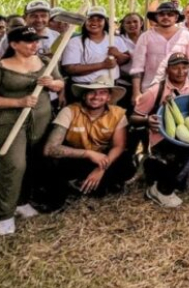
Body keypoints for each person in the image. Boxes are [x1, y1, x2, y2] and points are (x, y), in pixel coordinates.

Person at [0, 26, 66, 236]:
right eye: (29, 41)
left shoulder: (46, 62)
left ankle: (22, 201)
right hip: (8, 123)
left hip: (40, 121)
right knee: (14, 165)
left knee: (32, 162)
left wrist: (51, 83)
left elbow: (60, 83)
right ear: (13, 44)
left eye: (36, 40)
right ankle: (5, 215)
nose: (34, 45)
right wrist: (18, 101)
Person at [132, 53, 189, 209]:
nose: (181, 72)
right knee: (179, 160)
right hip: (163, 139)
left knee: (182, 185)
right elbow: (134, 117)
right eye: (175, 68)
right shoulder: (156, 90)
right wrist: (147, 120)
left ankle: (152, 166)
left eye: (184, 67)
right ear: (168, 70)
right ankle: (160, 189)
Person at [42, 79, 134, 209]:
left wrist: (101, 168)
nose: (96, 96)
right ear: (84, 95)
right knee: (51, 164)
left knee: (126, 164)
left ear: (108, 97)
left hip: (103, 159)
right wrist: (88, 154)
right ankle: (65, 191)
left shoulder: (118, 114)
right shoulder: (69, 111)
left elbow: (119, 146)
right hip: (76, 158)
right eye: (92, 92)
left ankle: (90, 185)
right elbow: (50, 149)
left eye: (102, 93)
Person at [130, 1, 189, 103]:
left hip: (180, 90)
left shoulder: (186, 36)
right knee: (152, 118)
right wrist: (136, 92)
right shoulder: (145, 37)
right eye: (161, 14)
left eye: (170, 14)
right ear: (156, 17)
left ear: (176, 17)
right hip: (151, 88)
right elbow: (137, 67)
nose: (166, 17)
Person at [61, 7, 133, 99]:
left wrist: (118, 54)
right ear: (85, 22)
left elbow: (126, 59)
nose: (94, 22)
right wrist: (102, 65)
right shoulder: (75, 42)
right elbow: (70, 68)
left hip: (109, 87)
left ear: (105, 22)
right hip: (83, 88)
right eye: (90, 19)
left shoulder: (115, 39)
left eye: (99, 20)